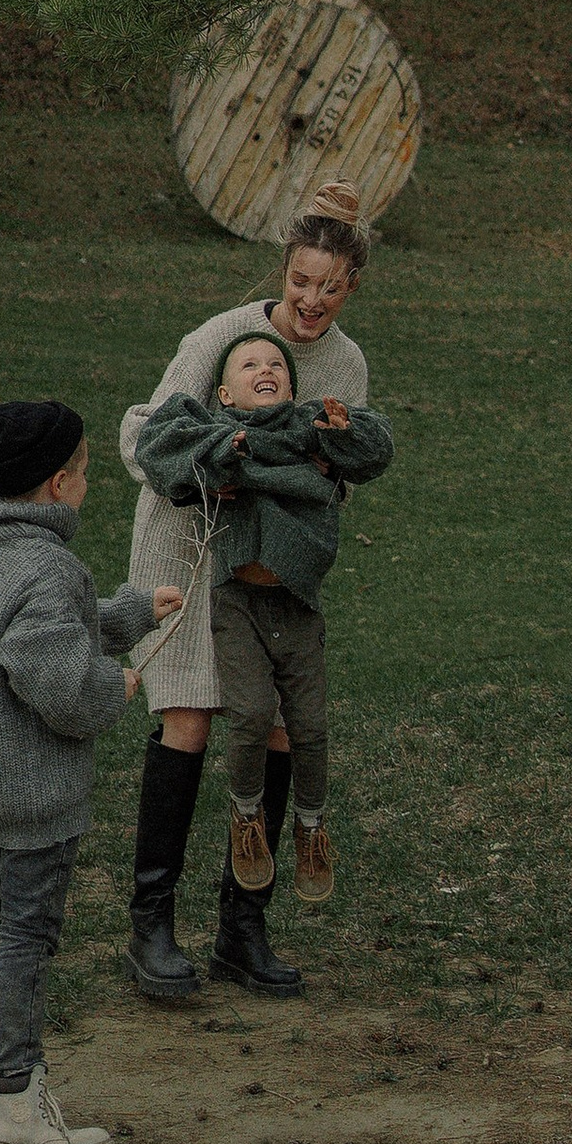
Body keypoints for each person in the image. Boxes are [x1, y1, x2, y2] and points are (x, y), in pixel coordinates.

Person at [0, 397, 181, 1144]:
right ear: (60, 483)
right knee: (28, 933)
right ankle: (16, 1101)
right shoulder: (51, 565)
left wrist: (128, 611)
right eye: (87, 469)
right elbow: (53, 671)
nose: (89, 481)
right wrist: (110, 688)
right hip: (32, 798)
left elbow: (38, 625)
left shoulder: (0, 548)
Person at [117, 180, 375, 1000]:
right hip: (189, 546)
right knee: (191, 715)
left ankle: (242, 925)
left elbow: (343, 469)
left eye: (329, 286)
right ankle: (150, 926)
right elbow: (141, 431)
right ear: (285, 270)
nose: (311, 300)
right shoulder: (223, 336)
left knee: (277, 729)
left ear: (349, 286)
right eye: (301, 280)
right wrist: (214, 469)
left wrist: (309, 481)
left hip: (273, 569)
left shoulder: (346, 364)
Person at [134, 331, 393, 910]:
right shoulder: (219, 435)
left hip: (298, 606)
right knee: (250, 714)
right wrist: (235, 454)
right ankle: (245, 816)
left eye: (277, 363)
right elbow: (158, 446)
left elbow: (376, 449)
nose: (266, 368)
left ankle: (310, 827)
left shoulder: (307, 428)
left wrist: (339, 428)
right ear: (225, 393)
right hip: (237, 603)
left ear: (294, 389)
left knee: (309, 727)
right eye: (250, 364)